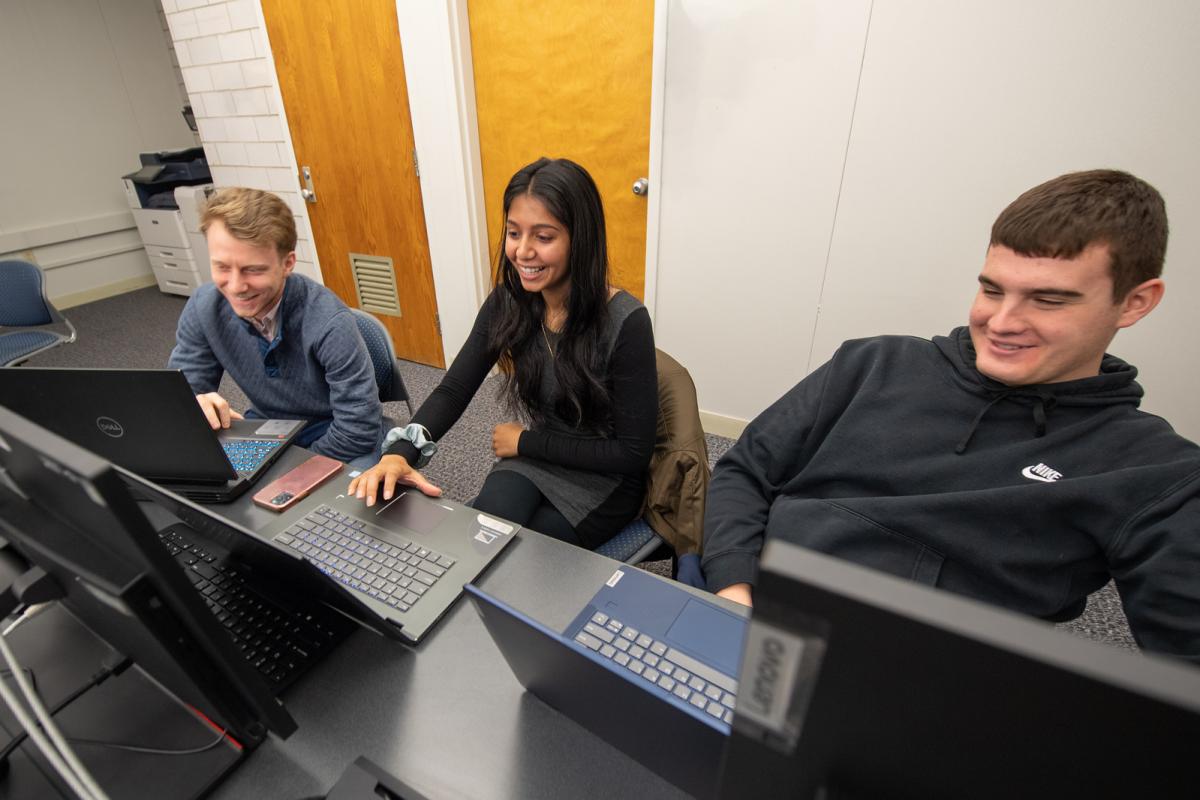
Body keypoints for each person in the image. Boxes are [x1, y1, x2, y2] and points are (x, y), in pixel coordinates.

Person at [701, 169, 1200, 664]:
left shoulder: (1150, 471)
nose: (1001, 323)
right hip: (751, 613)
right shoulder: (871, 364)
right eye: (991, 290)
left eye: (1048, 300)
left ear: (1135, 302)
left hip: (909, 681)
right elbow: (745, 471)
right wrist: (733, 593)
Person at [349, 157, 657, 550]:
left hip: (604, 481)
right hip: (537, 458)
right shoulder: (509, 302)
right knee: (480, 537)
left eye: (543, 237)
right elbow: (454, 389)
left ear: (581, 240)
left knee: (519, 557)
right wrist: (401, 452)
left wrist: (526, 442)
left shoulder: (627, 320)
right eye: (514, 233)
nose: (522, 251)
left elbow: (631, 454)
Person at [168, 187, 383, 465]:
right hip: (268, 424)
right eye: (222, 267)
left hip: (337, 431)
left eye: (253, 270)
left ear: (287, 263)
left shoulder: (329, 322)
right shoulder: (203, 307)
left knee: (340, 501)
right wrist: (193, 402)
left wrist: (289, 472)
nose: (235, 287)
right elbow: (180, 393)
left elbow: (358, 429)